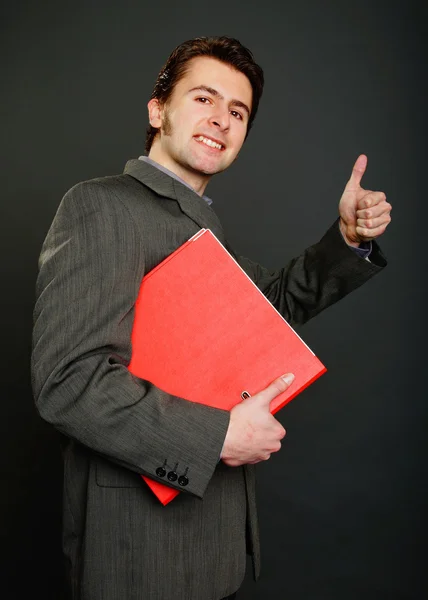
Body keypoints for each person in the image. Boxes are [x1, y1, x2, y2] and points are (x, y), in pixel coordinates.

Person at [31, 36, 391, 600]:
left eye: (238, 111)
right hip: (141, 553)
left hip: (210, 548)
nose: (222, 119)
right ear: (158, 111)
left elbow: (273, 308)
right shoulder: (101, 206)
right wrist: (219, 435)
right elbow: (68, 382)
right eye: (204, 98)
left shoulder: (200, 227)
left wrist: (346, 240)